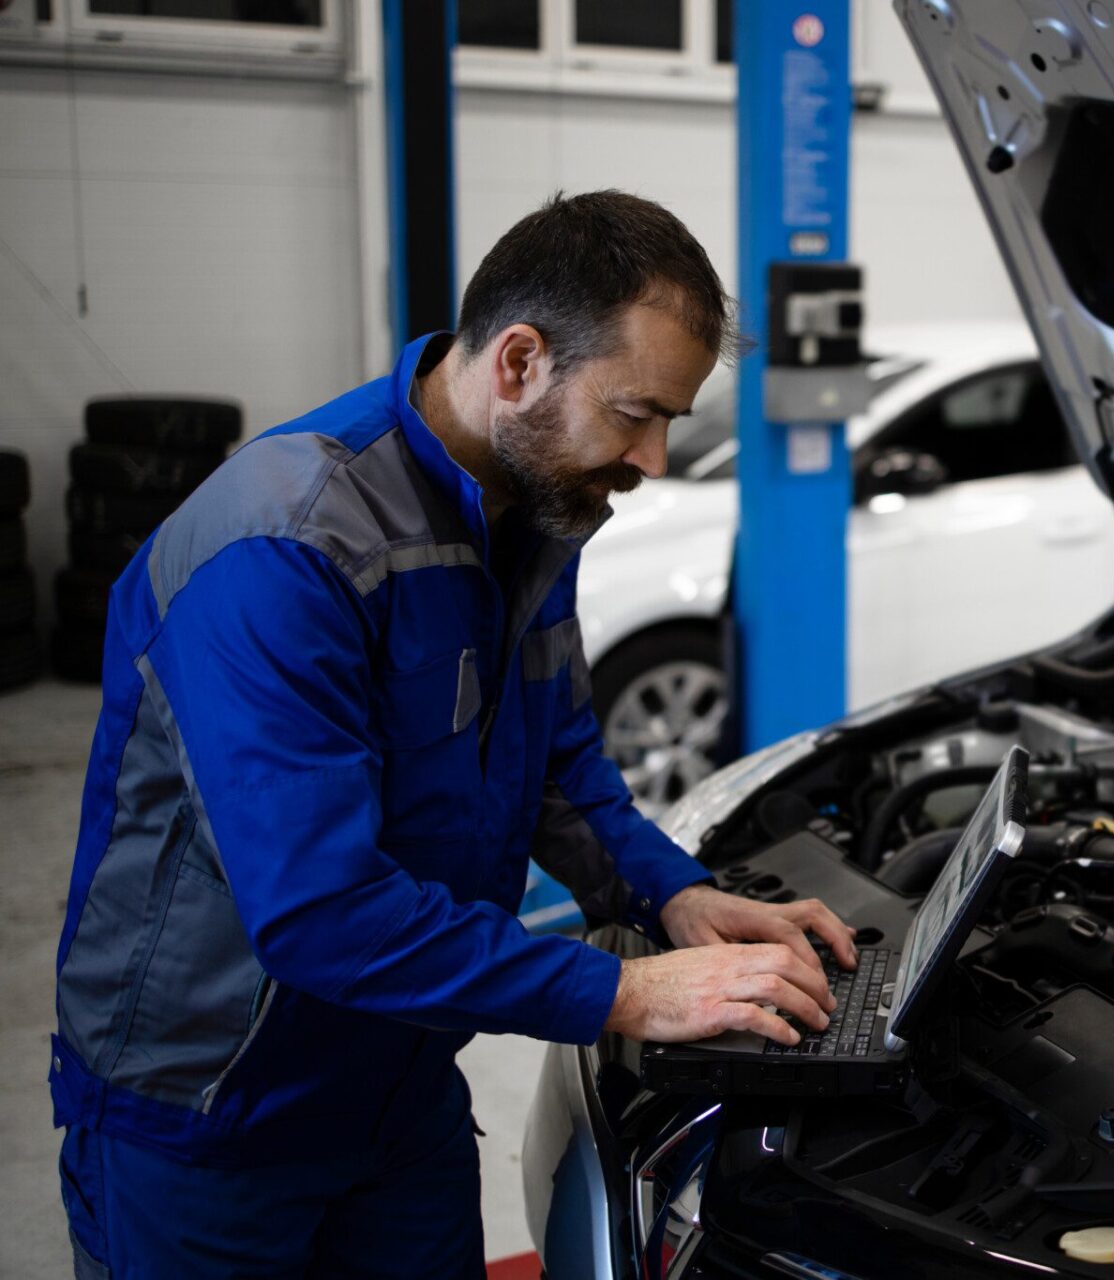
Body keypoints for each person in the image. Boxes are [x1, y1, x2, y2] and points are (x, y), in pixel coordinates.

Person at [49, 190, 855, 1278]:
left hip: (400, 1085)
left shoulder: (534, 506)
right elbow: (320, 910)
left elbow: (559, 768)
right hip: (211, 1117)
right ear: (519, 361)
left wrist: (671, 893)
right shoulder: (285, 552)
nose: (656, 458)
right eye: (636, 412)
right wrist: (621, 990)